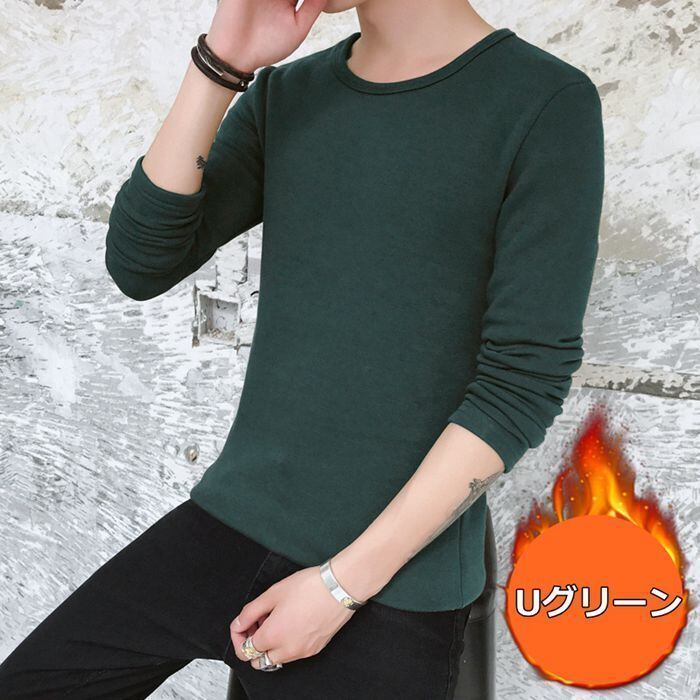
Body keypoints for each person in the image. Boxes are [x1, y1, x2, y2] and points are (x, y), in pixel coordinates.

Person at [0, 0, 604, 697]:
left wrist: (340, 587)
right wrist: (220, 65)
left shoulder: (545, 101)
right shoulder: (289, 92)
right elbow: (140, 262)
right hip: (227, 525)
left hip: (390, 585)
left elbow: (522, 382)